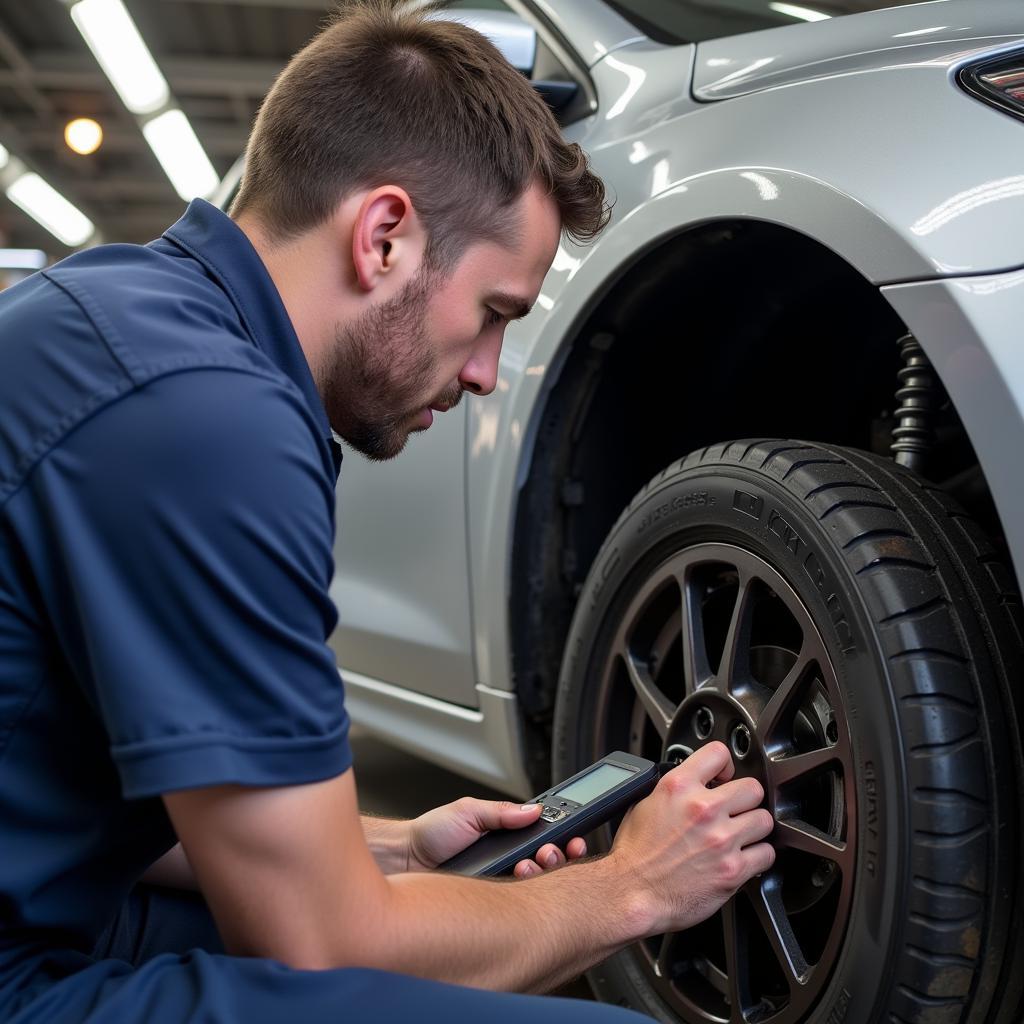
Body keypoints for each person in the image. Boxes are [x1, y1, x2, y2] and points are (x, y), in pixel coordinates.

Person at [0, 1, 775, 1021]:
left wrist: (392, 845)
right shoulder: (209, 422)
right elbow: (323, 951)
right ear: (384, 237)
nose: (491, 373)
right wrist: (633, 885)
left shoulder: (131, 321)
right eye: (494, 311)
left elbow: (98, 800)